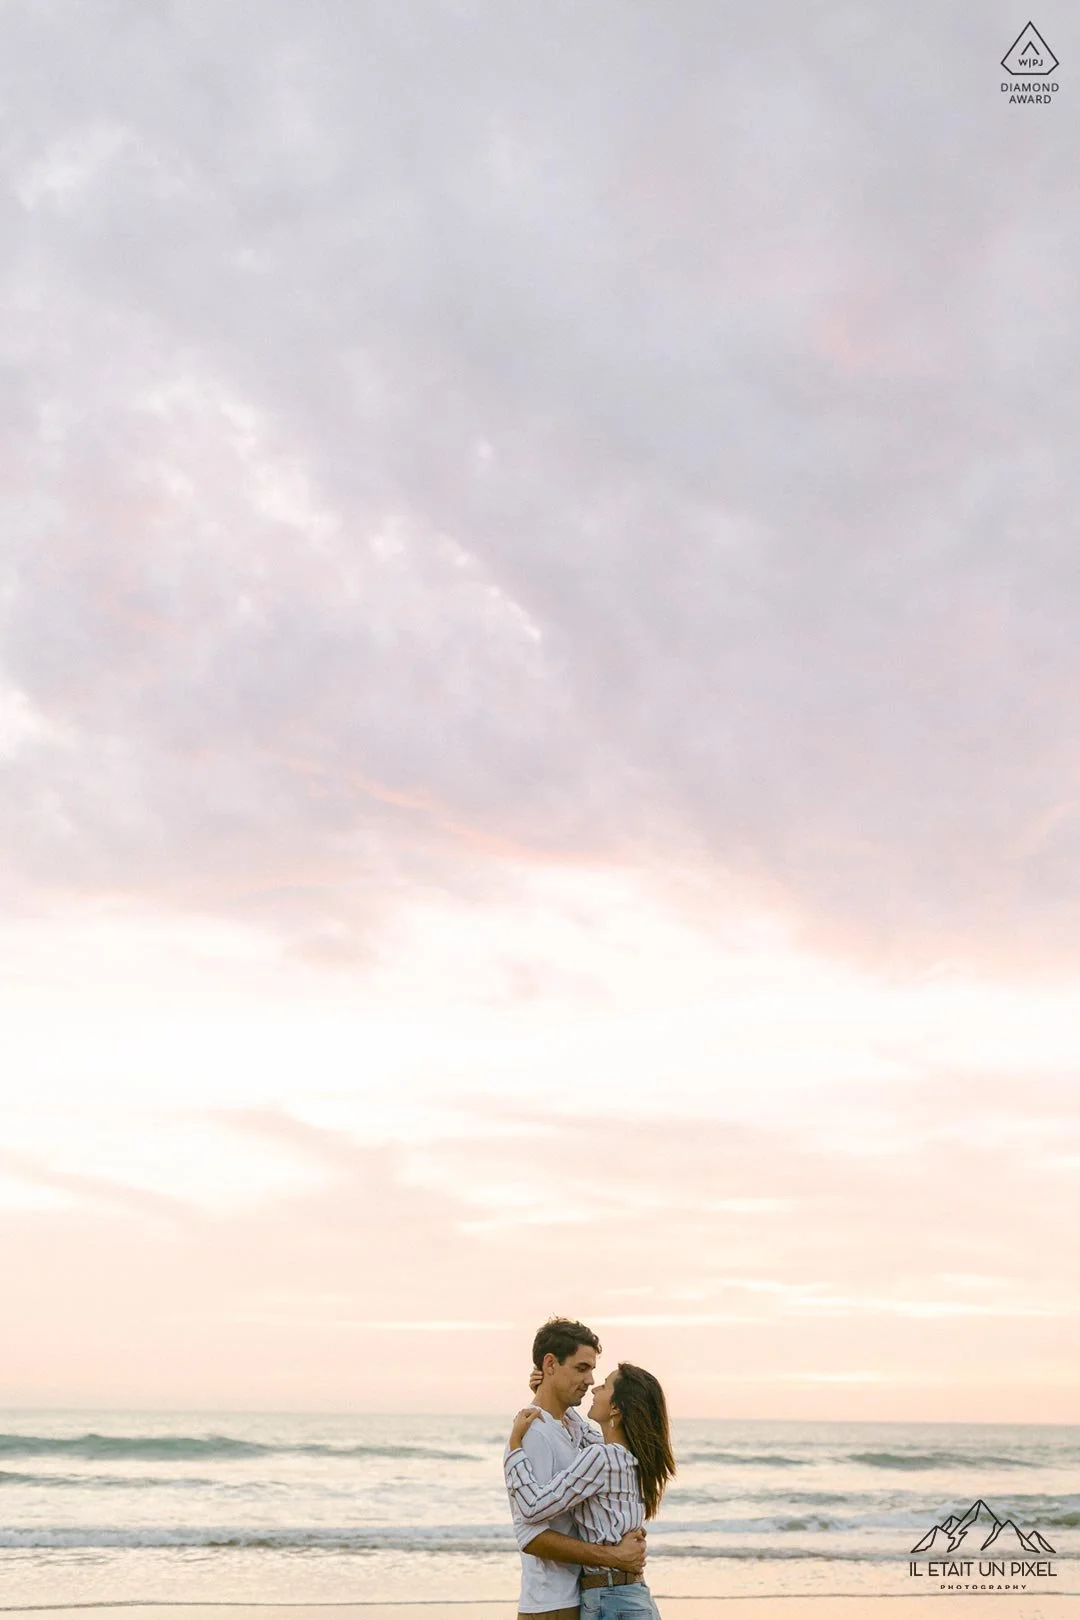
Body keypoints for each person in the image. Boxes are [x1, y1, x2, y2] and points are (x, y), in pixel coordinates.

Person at [505, 1360, 675, 1619]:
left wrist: (515, 1447)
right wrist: (543, 1391)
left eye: (605, 1386)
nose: (594, 1388)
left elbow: (531, 1508)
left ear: (616, 1407)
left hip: (612, 1601)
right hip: (626, 1595)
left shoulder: (601, 1457)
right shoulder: (623, 1455)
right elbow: (578, 1429)